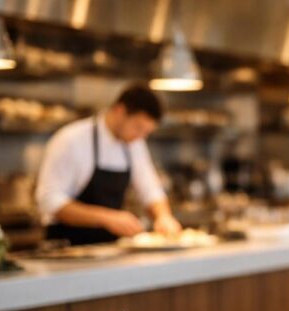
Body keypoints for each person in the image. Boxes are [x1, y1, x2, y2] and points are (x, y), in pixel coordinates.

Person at [35, 84, 181, 246]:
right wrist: (107, 217)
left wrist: (163, 216)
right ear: (120, 110)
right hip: (67, 249)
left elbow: (150, 189)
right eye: (138, 127)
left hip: (109, 249)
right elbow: (49, 202)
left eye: (146, 133)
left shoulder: (134, 144)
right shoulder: (70, 140)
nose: (140, 136)